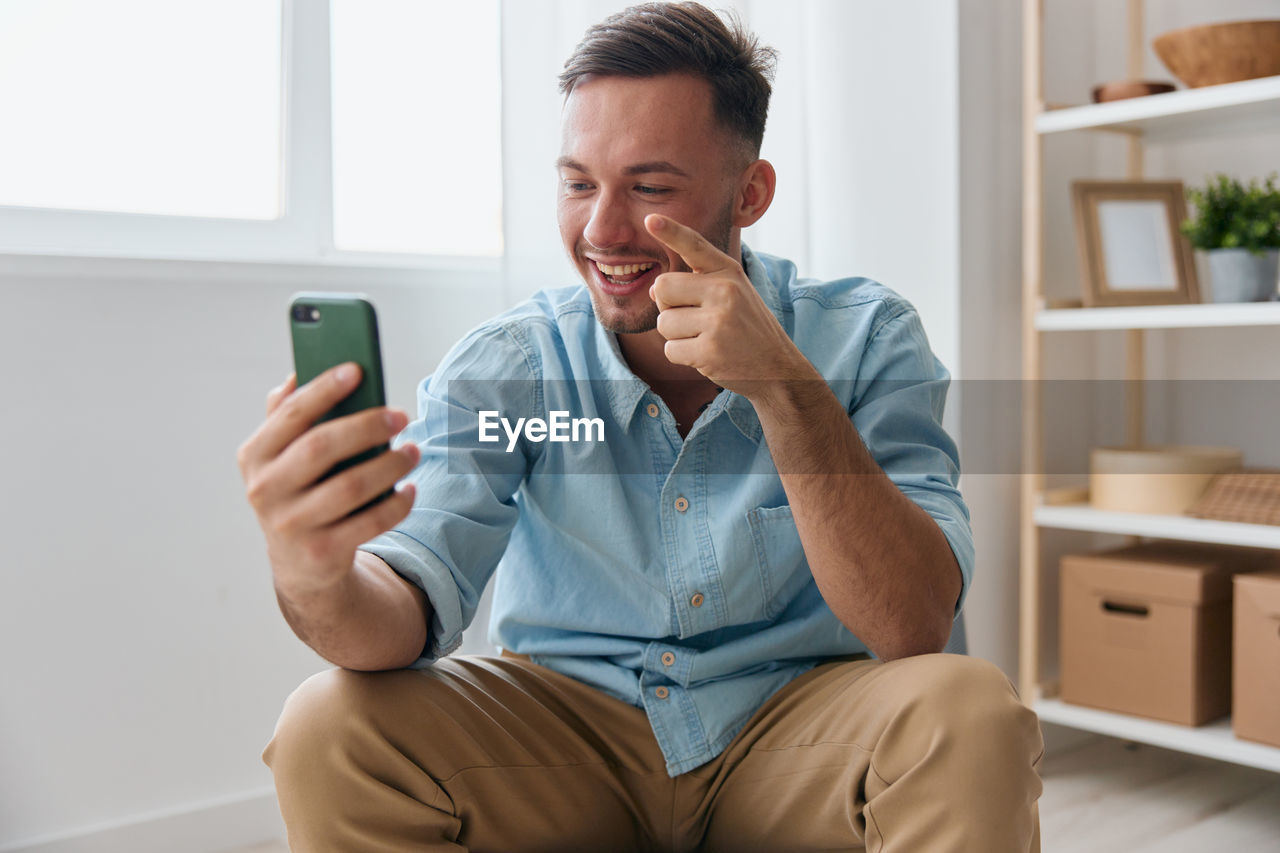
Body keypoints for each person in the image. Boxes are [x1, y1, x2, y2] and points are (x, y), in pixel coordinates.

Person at [238, 3, 1044, 850]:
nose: (601, 230)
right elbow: (403, 607)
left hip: (797, 733)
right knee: (329, 721)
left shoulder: (866, 336)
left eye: (650, 187)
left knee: (970, 711)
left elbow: (915, 624)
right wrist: (314, 573)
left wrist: (785, 391)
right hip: (566, 741)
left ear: (751, 193)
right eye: (579, 183)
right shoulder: (512, 364)